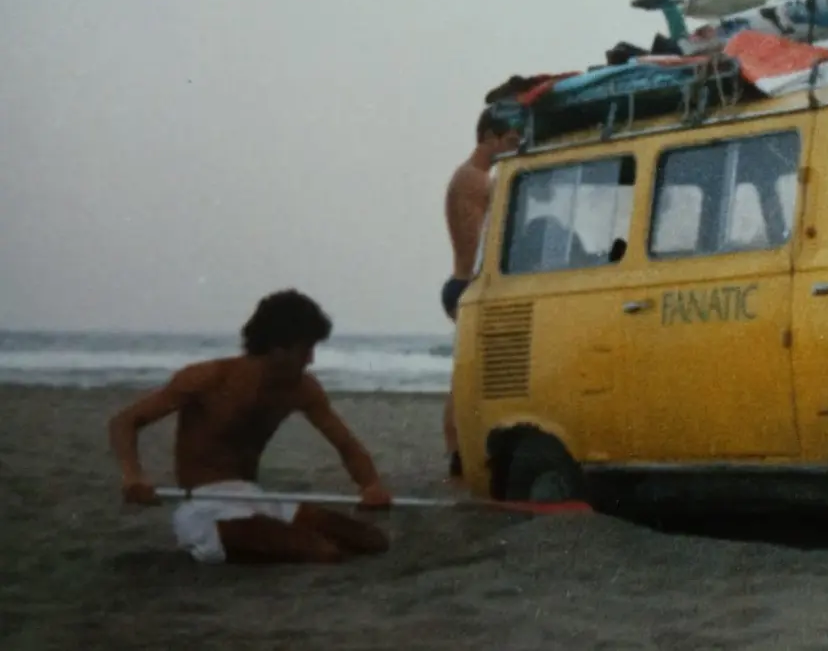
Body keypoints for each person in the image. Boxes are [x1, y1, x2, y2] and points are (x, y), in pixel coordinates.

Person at [108, 289, 395, 565]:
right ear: (277, 348)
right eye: (305, 349)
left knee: (370, 540)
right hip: (206, 504)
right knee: (321, 551)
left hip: (257, 498)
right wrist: (133, 476)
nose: (311, 359)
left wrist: (370, 485)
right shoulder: (207, 378)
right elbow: (125, 422)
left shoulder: (300, 388)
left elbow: (345, 444)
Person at [441, 107, 521, 476]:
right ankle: (458, 451)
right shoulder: (476, 180)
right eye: (508, 141)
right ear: (489, 137)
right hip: (467, 282)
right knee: (466, 377)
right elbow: (478, 242)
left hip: (461, 281)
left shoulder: (471, 177)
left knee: (463, 373)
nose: (511, 149)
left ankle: (456, 450)